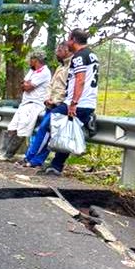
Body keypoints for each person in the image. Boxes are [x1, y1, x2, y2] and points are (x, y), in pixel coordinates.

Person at [38, 30, 99, 176]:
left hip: (78, 102)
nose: (67, 42)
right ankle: (56, 166)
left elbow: (80, 80)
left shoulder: (79, 56)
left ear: (73, 40)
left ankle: (87, 120)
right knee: (67, 132)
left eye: (68, 39)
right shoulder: (92, 55)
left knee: (51, 121)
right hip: (88, 102)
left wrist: (73, 103)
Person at [18, 42, 71, 168]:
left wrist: (56, 100)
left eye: (59, 51)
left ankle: (32, 158)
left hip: (60, 103)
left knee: (45, 130)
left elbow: (68, 88)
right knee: (45, 131)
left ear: (66, 51)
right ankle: (33, 159)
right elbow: (51, 85)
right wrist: (48, 98)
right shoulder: (61, 67)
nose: (57, 53)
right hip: (50, 103)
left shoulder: (71, 67)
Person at [0, 50, 52, 161]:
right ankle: (2, 151)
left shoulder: (44, 72)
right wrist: (26, 84)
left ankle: (8, 155)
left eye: (30, 60)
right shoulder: (32, 71)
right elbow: (23, 84)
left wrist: (26, 84)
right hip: (24, 103)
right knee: (11, 127)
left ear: (35, 60)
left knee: (22, 129)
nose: (29, 62)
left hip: (34, 104)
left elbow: (27, 87)